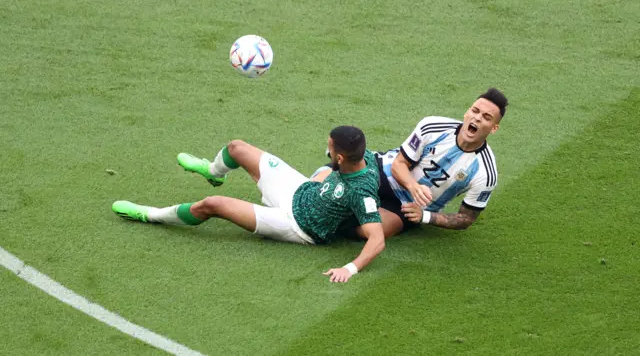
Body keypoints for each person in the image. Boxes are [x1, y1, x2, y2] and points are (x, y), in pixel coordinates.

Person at [112, 125, 385, 283]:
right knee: (236, 148)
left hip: (297, 225)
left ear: (339, 158)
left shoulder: (362, 192)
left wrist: (349, 269)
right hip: (300, 189)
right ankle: (213, 172)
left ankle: (151, 215)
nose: (327, 147)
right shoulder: (366, 157)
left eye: (330, 146)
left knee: (212, 204)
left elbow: (377, 239)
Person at [313, 87, 508, 238]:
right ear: (467, 112)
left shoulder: (485, 173)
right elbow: (399, 164)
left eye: (486, 117)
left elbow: (466, 218)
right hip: (384, 172)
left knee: (375, 231)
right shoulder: (433, 126)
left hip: (407, 208)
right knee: (319, 187)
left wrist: (425, 216)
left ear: (493, 128)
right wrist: (413, 186)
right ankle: (337, 165)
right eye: (475, 111)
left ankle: (336, 221)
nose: (477, 118)